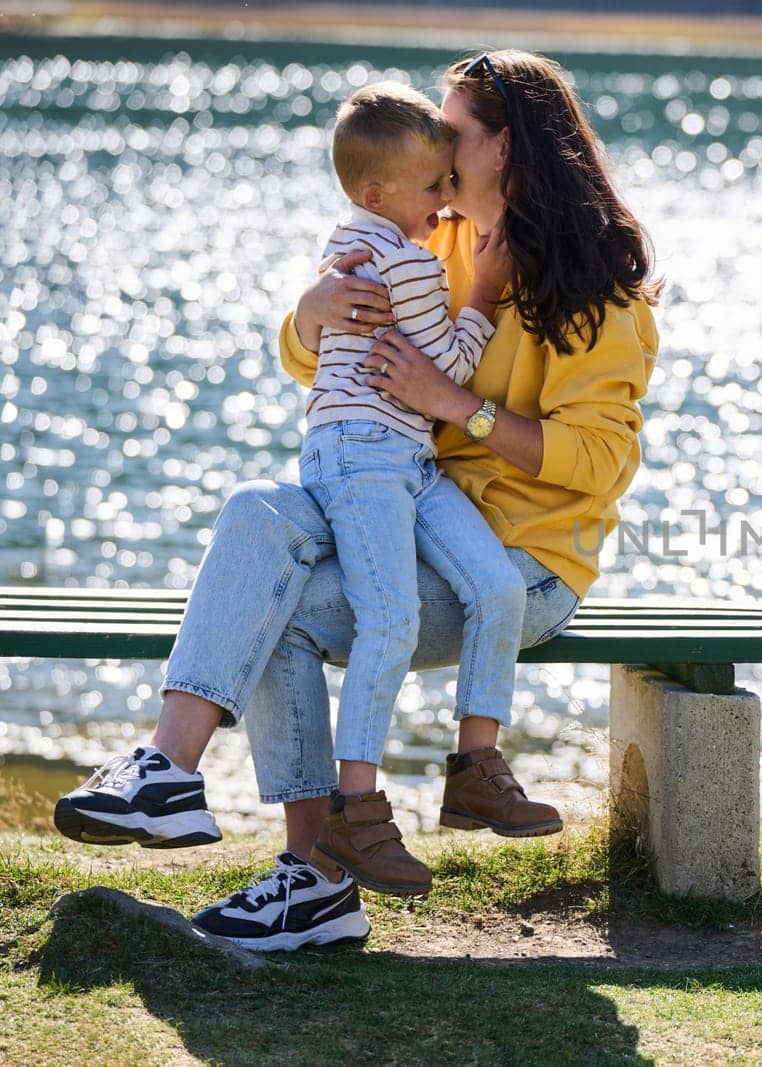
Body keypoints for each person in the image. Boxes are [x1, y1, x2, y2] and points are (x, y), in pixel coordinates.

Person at [53, 49, 661, 951]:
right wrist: (311, 310)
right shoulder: (431, 234)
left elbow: (603, 463)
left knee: (284, 610)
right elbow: (320, 358)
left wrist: (459, 405)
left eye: (453, 132)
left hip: (517, 564)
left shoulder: (593, 294)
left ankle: (318, 880)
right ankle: (166, 772)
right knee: (257, 512)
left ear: (510, 151)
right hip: (405, 500)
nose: (433, 141)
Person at [297, 81, 527, 898]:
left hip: (404, 459)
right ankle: (354, 811)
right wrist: (484, 294)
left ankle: (473, 767)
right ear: (377, 195)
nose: (444, 201)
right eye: (433, 187)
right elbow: (450, 372)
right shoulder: (407, 262)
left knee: (497, 584)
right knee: (389, 620)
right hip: (368, 460)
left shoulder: (346, 243)